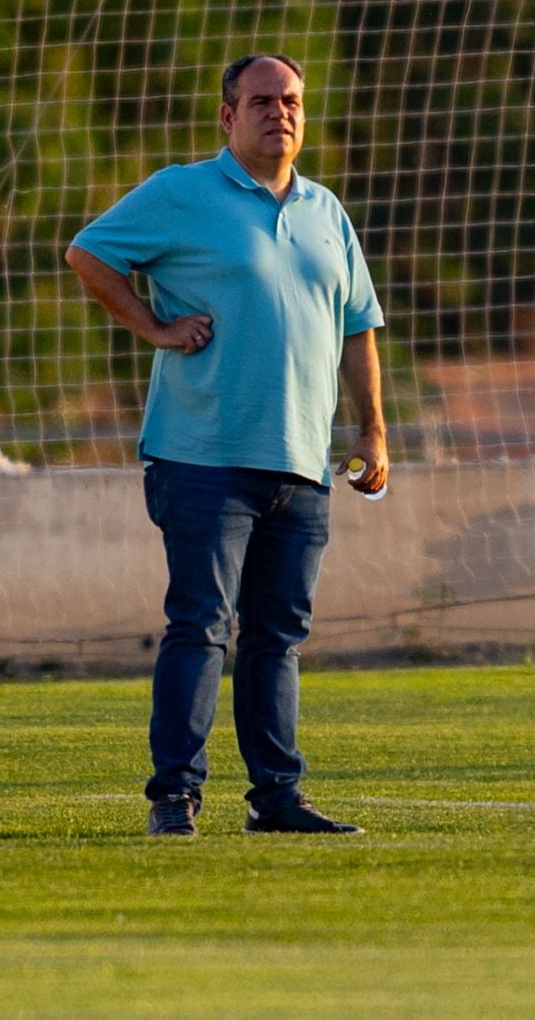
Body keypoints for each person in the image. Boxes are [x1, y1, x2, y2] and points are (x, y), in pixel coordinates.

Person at [67, 54, 388, 838]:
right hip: (203, 453)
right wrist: (153, 327)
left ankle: (276, 798)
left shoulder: (324, 210)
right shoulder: (182, 192)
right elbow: (88, 253)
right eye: (262, 101)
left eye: (293, 101)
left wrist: (373, 425)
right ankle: (173, 796)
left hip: (305, 461)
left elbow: (356, 322)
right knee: (201, 625)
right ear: (227, 117)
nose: (280, 113)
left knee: (278, 637)